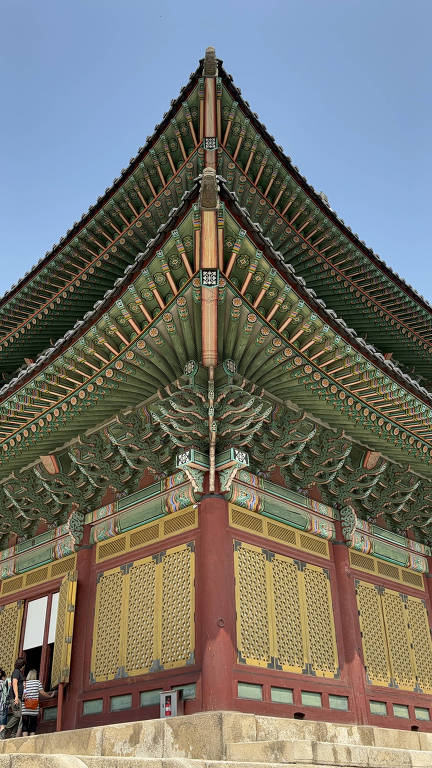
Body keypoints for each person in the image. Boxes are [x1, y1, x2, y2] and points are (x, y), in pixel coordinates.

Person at [21, 669, 54, 737]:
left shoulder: (24, 683)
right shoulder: (37, 682)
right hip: (34, 707)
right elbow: (42, 693)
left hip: (25, 707)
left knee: (25, 725)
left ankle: (25, 741)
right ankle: (32, 741)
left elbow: (22, 695)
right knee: (33, 725)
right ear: (35, 675)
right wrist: (50, 696)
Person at [3, 657, 25, 739]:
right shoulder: (16, 672)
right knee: (18, 715)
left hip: (18, 697)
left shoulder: (18, 672)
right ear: (22, 665)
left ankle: (13, 735)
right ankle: (4, 731)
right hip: (15, 697)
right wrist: (16, 696)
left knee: (19, 716)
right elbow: (14, 683)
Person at [0, 670, 8, 738]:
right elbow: (6, 695)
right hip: (3, 706)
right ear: (3, 677)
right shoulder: (3, 684)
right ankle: (1, 738)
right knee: (2, 724)